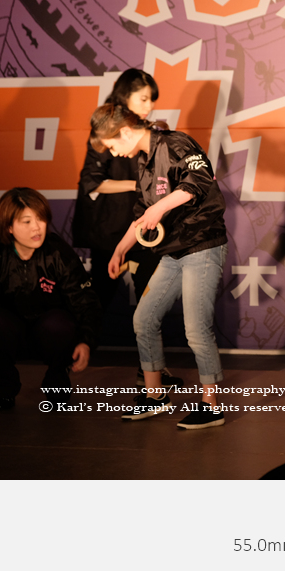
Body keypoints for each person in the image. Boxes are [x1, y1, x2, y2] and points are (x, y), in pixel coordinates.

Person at [89, 103, 228, 429]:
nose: (114, 153)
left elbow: (200, 179)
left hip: (202, 246)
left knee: (196, 329)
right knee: (144, 319)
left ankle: (211, 406)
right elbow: (143, 213)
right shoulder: (143, 161)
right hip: (172, 252)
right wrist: (120, 249)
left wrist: (161, 207)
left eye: (112, 145)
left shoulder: (174, 142)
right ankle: (155, 396)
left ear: (125, 131)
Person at [72, 68, 179, 388]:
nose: (149, 106)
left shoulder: (154, 131)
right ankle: (70, 357)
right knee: (98, 298)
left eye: (152, 100)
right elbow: (91, 182)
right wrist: (137, 184)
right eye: (143, 99)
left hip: (146, 227)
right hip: (111, 228)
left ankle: (153, 371)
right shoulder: (105, 129)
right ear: (124, 96)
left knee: (150, 300)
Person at [0, 188, 99, 410]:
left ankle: (57, 383)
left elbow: (86, 302)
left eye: (40, 219)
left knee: (59, 323)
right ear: (9, 227)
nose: (36, 227)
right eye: (27, 221)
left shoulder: (58, 252)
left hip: (49, 336)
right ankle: (4, 388)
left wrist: (86, 342)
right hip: (10, 335)